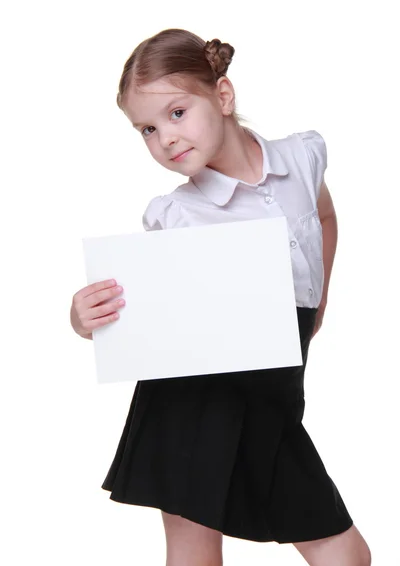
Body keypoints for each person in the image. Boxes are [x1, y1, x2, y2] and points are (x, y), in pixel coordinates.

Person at [70, 28, 371, 566]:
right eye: (146, 128)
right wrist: (83, 319)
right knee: (193, 554)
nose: (164, 138)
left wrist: (318, 302)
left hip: (271, 396)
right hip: (192, 397)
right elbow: (141, 313)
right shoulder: (177, 214)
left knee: (344, 553)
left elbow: (323, 217)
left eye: (177, 113)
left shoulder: (301, 159)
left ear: (223, 97)